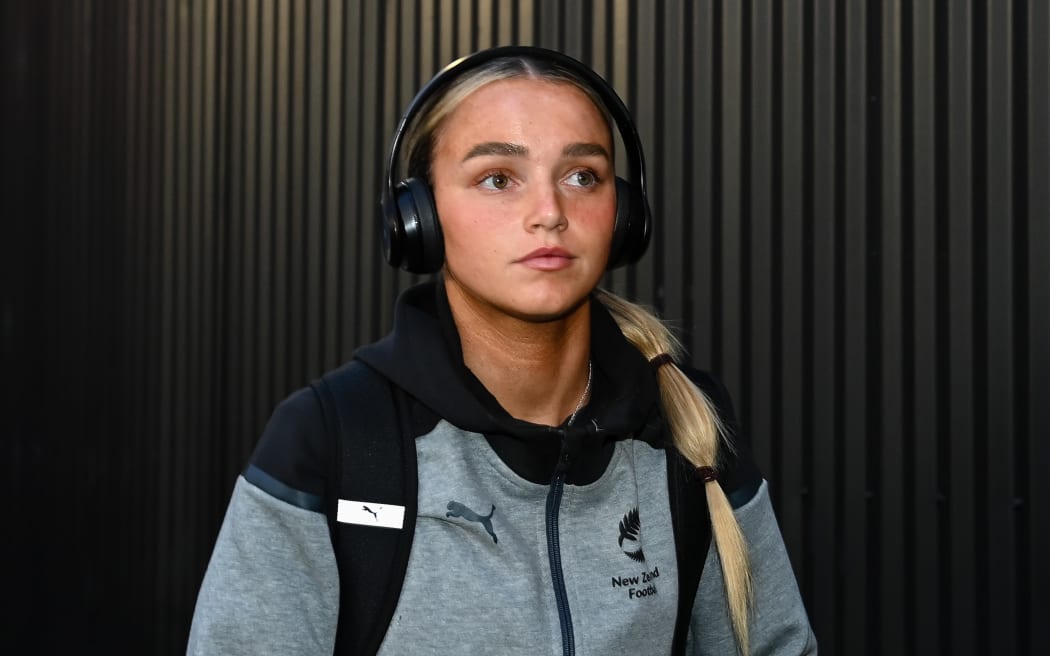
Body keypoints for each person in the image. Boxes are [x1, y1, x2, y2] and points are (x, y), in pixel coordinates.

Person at [187, 46, 816, 655]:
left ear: (623, 216)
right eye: (497, 178)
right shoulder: (331, 438)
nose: (549, 212)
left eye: (582, 176)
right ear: (419, 219)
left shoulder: (685, 425)